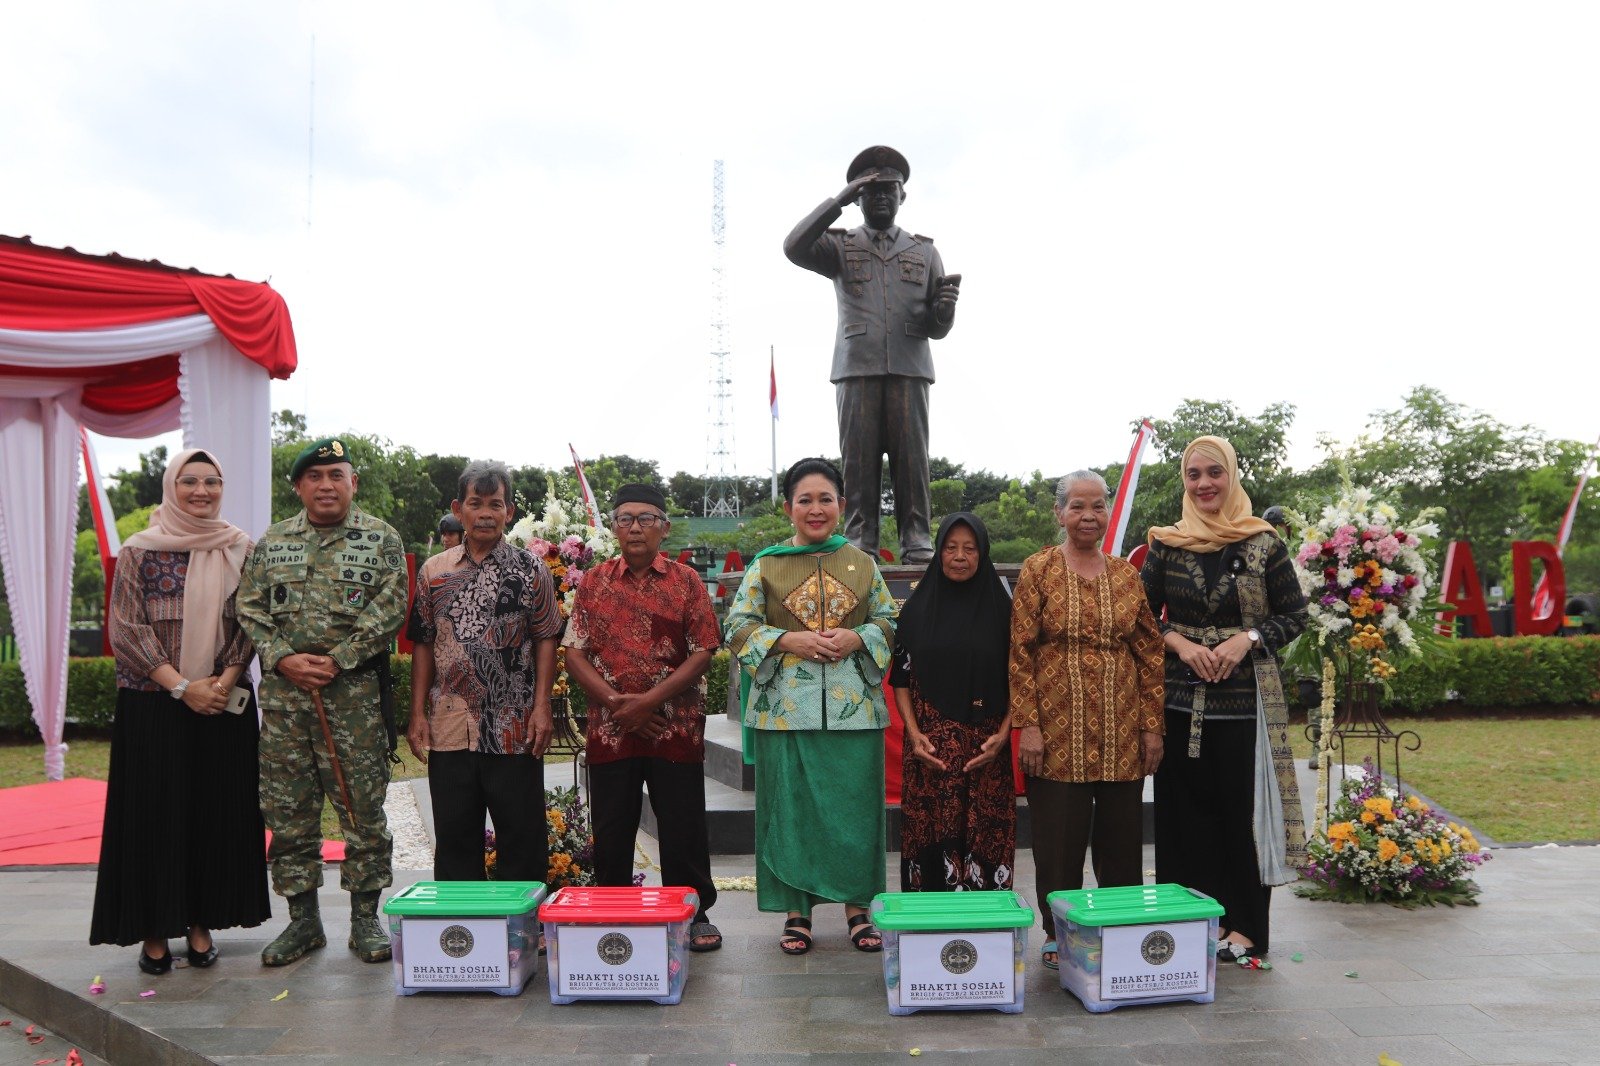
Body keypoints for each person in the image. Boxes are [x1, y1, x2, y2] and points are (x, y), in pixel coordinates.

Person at [89, 449, 270, 973]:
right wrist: (181, 686)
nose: (201, 491)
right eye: (189, 481)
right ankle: (153, 926)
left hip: (222, 703)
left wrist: (225, 680)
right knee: (154, 817)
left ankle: (199, 921)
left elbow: (249, 622)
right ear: (172, 487)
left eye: (211, 481)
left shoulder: (241, 548)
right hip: (154, 706)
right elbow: (125, 629)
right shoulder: (140, 551)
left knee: (212, 815)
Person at [235, 437, 409, 967]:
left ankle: (364, 920)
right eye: (315, 476)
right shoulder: (272, 542)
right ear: (298, 486)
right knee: (289, 814)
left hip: (352, 703)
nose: (326, 485)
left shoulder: (380, 539)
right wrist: (283, 656)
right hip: (287, 706)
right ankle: (303, 922)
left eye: (337, 474)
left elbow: (393, 603)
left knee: (363, 813)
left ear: (353, 482)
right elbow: (249, 605)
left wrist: (340, 657)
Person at [1141, 436, 1309, 962]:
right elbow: (1139, 616)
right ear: (1184, 483)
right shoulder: (1166, 545)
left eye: (1214, 472)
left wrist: (1247, 639)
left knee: (1241, 816)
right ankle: (1188, 921)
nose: (1205, 484)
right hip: (1179, 702)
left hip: (1245, 704)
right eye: (1194, 475)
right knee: (1183, 817)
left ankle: (1244, 926)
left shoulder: (1263, 544)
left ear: (1231, 476)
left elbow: (1294, 615)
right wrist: (1181, 644)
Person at [725, 457, 898, 954]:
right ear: (789, 508)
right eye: (806, 499)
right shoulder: (766, 565)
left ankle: (858, 909)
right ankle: (796, 914)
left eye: (826, 499)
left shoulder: (863, 565)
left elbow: (889, 620)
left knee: (855, 812)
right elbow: (737, 626)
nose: (816, 509)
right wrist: (787, 641)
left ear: (842, 506)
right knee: (792, 811)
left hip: (855, 713)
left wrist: (858, 635)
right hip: (785, 713)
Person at [1011, 471, 1165, 969]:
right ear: (1060, 513)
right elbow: (1019, 653)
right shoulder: (1038, 570)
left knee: (1121, 841)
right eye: (1077, 506)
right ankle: (1060, 933)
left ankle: (1117, 927)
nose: (1088, 516)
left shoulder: (1125, 575)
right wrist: (1028, 725)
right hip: (1055, 732)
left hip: (1120, 730)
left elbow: (1149, 651)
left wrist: (1151, 725)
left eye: (1098, 506)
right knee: (1058, 841)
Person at [562, 484, 724, 951]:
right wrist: (619, 705)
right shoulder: (593, 581)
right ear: (613, 527)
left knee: (683, 824)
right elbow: (575, 653)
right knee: (611, 825)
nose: (635, 527)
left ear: (665, 527)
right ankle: (613, 911)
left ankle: (694, 912)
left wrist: (649, 701)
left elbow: (704, 651)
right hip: (612, 730)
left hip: (675, 726)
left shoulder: (686, 581)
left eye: (646, 518)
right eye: (625, 518)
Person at [783, 145, 961, 564]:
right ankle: (860, 542)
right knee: (858, 461)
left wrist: (945, 311)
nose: (881, 196)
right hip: (856, 367)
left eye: (889, 189)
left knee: (912, 462)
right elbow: (793, 246)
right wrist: (836, 202)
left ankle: (916, 540)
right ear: (858, 199)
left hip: (910, 367)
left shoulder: (924, 251)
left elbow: (937, 329)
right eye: (870, 191)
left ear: (903, 197)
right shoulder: (840, 246)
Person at [405, 461, 563, 883]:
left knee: (523, 839)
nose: (487, 513)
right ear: (459, 509)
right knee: (456, 840)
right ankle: (461, 937)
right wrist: (417, 713)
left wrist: (542, 706)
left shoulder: (532, 571)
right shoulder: (434, 573)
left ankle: (522, 937)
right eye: (477, 503)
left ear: (509, 511)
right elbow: (421, 641)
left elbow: (547, 636)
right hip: (450, 726)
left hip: (515, 727)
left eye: (496, 504)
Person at [892, 513, 1015, 893]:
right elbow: (901, 678)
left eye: (970, 548)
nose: (959, 556)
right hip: (930, 752)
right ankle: (928, 927)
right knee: (929, 834)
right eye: (950, 547)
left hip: (986, 751)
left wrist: (1003, 736)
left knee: (986, 834)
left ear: (983, 554)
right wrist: (913, 735)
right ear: (939, 552)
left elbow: (1021, 680)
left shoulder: (1005, 613)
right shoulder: (915, 610)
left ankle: (986, 929)